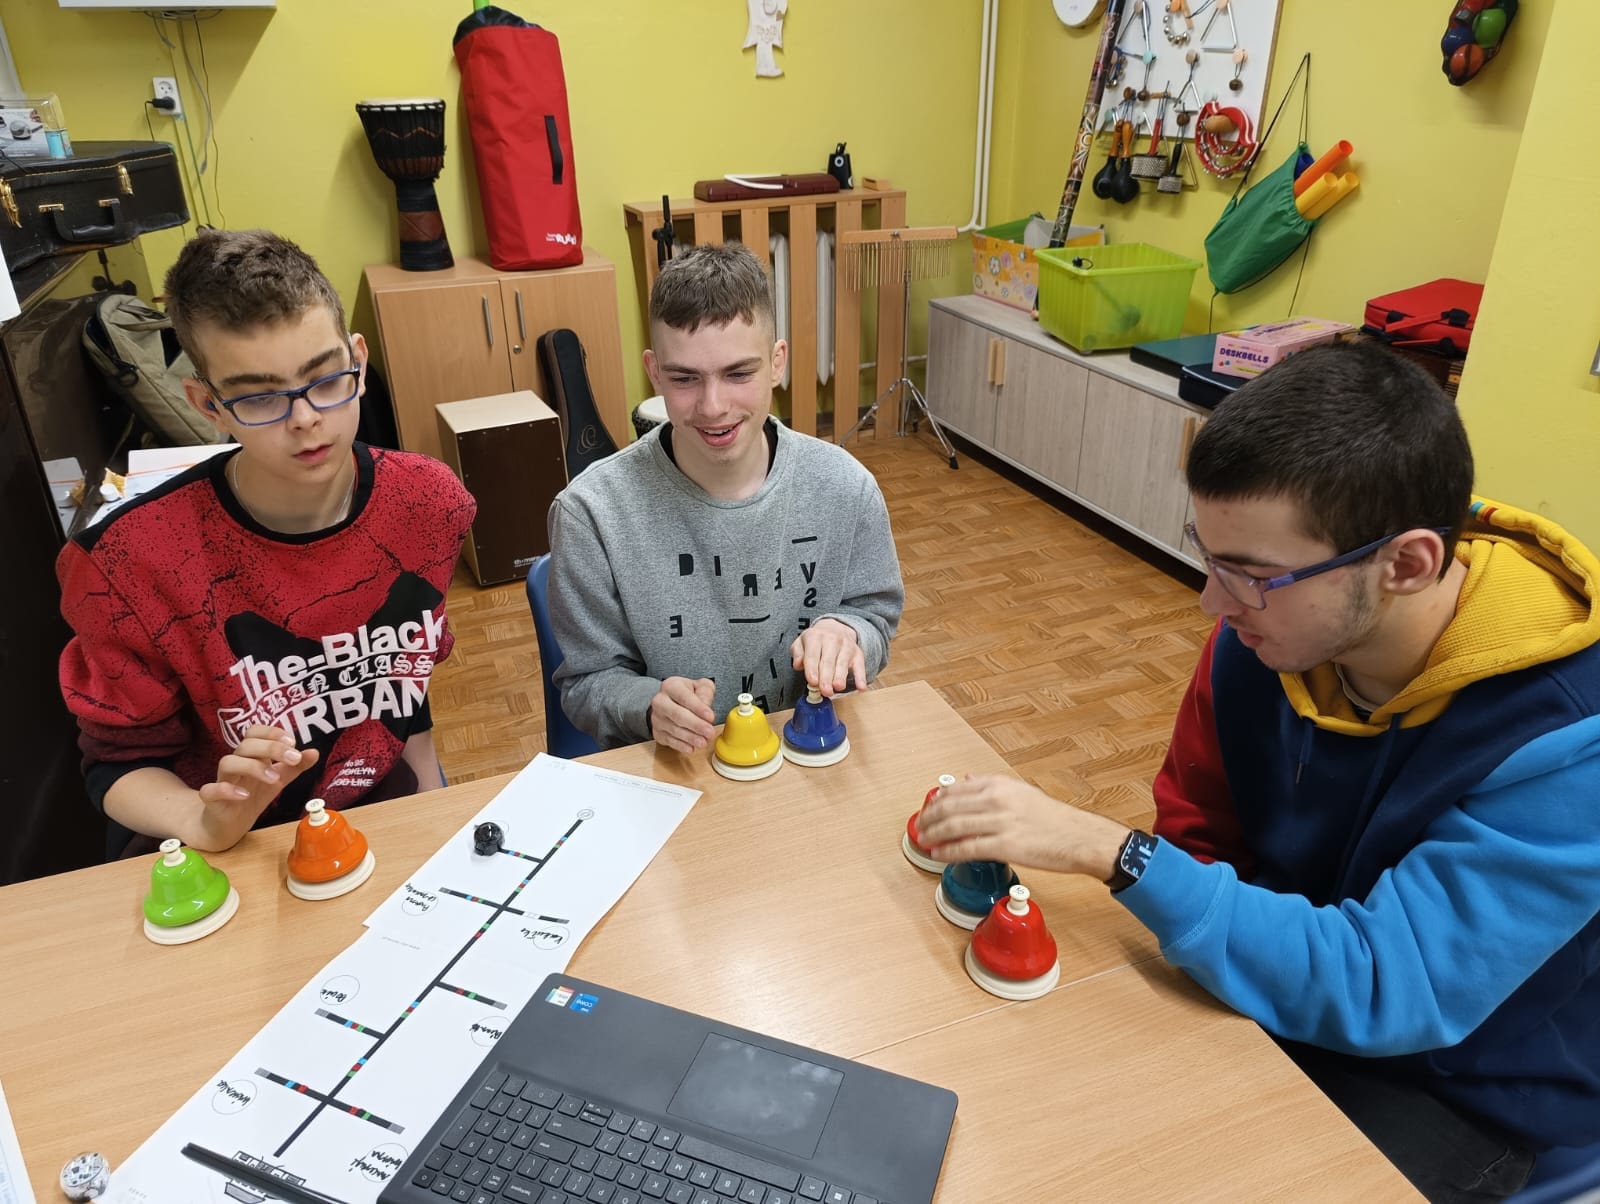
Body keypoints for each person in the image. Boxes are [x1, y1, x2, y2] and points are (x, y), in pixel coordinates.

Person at [916, 340, 1600, 1202]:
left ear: (1407, 564)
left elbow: (1386, 987)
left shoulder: (1568, 737)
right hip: (1285, 980)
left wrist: (1112, 853)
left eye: (1250, 575)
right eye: (1208, 556)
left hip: (1459, 1082)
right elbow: (1199, 829)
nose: (1212, 602)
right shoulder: (1262, 637)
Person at [57, 228, 476, 856]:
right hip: (222, 842)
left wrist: (432, 802)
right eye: (258, 397)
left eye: (325, 379)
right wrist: (204, 821)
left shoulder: (427, 502)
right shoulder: (124, 563)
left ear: (359, 362)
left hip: (372, 816)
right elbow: (116, 763)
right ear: (208, 405)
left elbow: (405, 689)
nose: (306, 419)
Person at [548, 241, 903, 752]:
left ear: (777, 363)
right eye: (684, 378)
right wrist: (646, 705)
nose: (713, 406)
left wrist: (848, 633)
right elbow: (587, 683)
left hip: (804, 755)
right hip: (677, 767)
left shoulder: (846, 487)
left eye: (738, 373)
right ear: (654, 372)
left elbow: (874, 616)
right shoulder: (590, 514)